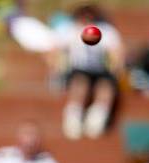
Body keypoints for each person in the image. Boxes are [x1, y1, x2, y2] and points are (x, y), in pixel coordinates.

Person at [53, 5, 125, 140]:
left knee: (106, 86)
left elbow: (117, 51)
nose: (86, 17)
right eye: (83, 14)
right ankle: (73, 120)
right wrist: (58, 67)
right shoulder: (69, 30)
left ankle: (96, 120)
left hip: (100, 70)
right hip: (77, 70)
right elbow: (54, 49)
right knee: (80, 83)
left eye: (90, 14)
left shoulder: (106, 30)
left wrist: (116, 65)